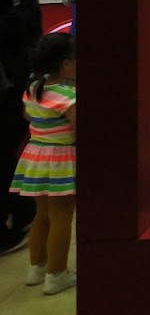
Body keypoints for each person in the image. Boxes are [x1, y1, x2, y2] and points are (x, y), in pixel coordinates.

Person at [9, 32, 76, 295]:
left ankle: (37, 268)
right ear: (66, 63)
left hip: (36, 155)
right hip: (60, 159)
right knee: (62, 216)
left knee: (42, 215)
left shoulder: (33, 88)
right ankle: (56, 274)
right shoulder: (67, 95)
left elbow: (28, 116)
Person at [0, 0, 40, 254]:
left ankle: (21, 210)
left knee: (6, 148)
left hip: (14, 80)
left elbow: (17, 25)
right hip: (16, 78)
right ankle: (23, 208)